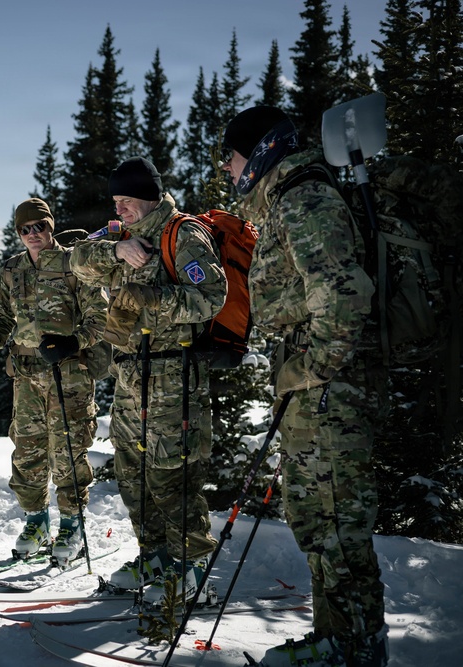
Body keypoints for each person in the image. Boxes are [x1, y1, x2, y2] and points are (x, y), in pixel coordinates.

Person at [221, 106, 388, 667]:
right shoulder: (287, 200)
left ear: (261, 149)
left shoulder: (303, 200)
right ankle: (341, 640)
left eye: (232, 156)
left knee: (336, 525)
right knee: (319, 521)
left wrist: (302, 372)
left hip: (329, 395)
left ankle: (350, 648)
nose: (227, 169)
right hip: (315, 392)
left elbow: (343, 300)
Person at [68, 157, 226, 604]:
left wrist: (149, 299)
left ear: (149, 196)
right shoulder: (121, 233)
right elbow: (77, 259)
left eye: (126, 201)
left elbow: (211, 297)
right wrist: (116, 250)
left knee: (170, 474)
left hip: (173, 374)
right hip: (131, 376)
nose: (119, 210)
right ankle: (155, 555)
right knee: (131, 471)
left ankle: (192, 565)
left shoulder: (183, 234)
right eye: (116, 202)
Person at [0, 198, 107, 567]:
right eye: (25, 229)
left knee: (67, 451)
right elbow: (1, 315)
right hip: (27, 376)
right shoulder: (12, 270)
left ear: (51, 227)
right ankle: (36, 522)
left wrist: (73, 341)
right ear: (18, 232)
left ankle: (71, 525)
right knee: (28, 452)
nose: (34, 234)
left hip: (68, 374)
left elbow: (101, 316)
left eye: (40, 227)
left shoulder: (73, 265)